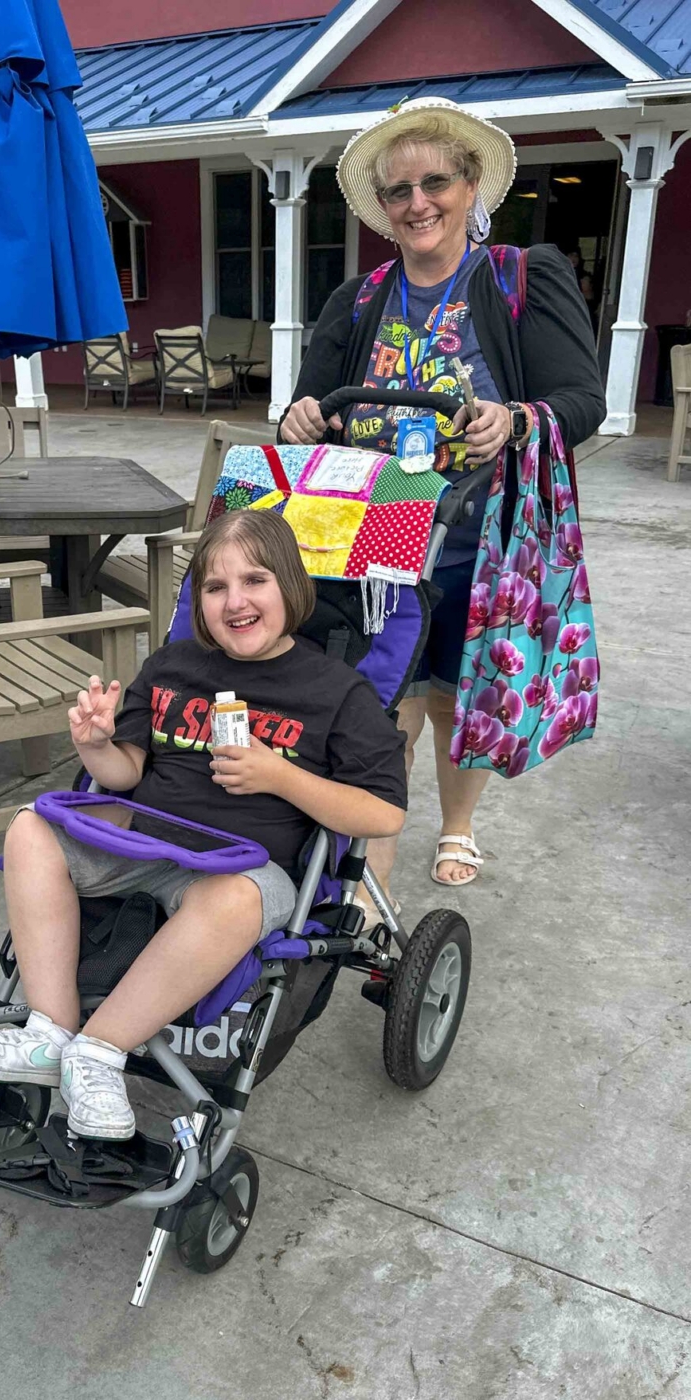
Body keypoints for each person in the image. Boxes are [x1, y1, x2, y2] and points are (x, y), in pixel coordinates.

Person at [0, 510, 407, 1140]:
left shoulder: (337, 693)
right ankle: (49, 1033)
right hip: (145, 840)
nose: (235, 601)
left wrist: (281, 777)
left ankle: (99, 1051)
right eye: (215, 587)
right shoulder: (172, 667)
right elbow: (126, 770)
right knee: (31, 825)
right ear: (198, 601)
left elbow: (383, 812)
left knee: (234, 899)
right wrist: (95, 745)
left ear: (292, 587)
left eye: (255, 580)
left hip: (243, 868)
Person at [280, 96, 604, 897]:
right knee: (380, 692)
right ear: (383, 206)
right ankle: (374, 848)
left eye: (435, 183)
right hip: (372, 535)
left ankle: (457, 823)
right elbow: (307, 407)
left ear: (469, 187)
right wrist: (298, 418)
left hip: (479, 536)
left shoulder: (523, 277)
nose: (418, 203)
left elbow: (580, 400)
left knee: (458, 696)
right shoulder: (357, 299)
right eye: (399, 190)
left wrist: (517, 418)